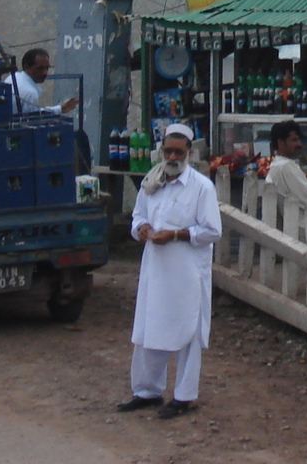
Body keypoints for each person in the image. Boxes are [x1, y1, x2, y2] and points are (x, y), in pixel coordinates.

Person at [120, 123, 222, 420]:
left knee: (187, 330)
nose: (173, 156)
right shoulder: (153, 181)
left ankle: (184, 396)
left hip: (187, 272)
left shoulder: (201, 187)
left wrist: (176, 235)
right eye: (168, 150)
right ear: (161, 150)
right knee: (149, 326)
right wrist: (141, 228)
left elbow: (212, 231)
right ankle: (146, 390)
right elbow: (138, 214)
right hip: (156, 268)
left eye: (179, 151)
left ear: (189, 153)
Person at [10, 47, 79, 115]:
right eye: (40, 68)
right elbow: (34, 119)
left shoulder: (14, 77)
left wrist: (60, 108)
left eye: (47, 68)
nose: (45, 72)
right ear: (27, 67)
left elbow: (35, 112)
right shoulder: (30, 93)